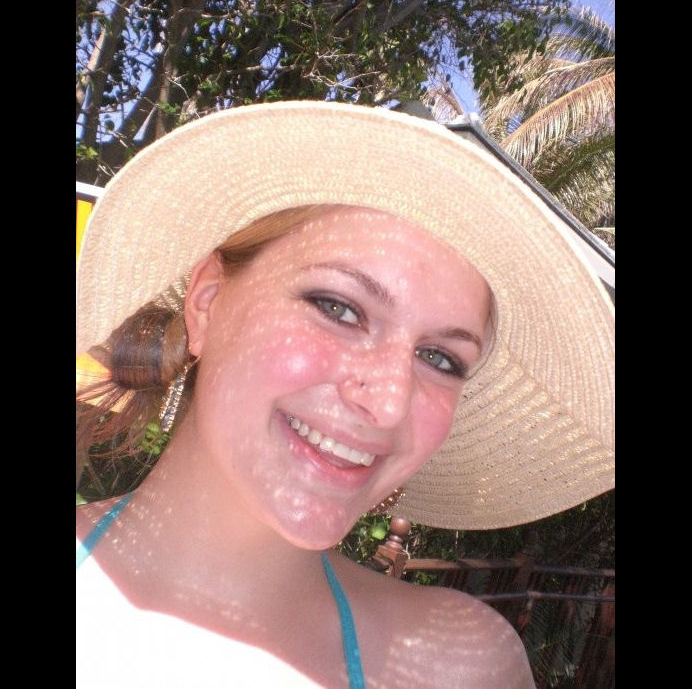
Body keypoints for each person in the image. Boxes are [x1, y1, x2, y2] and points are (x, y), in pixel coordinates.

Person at [76, 101, 614, 688]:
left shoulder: (458, 665)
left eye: (440, 358)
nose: (388, 402)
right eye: (338, 308)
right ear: (207, 302)